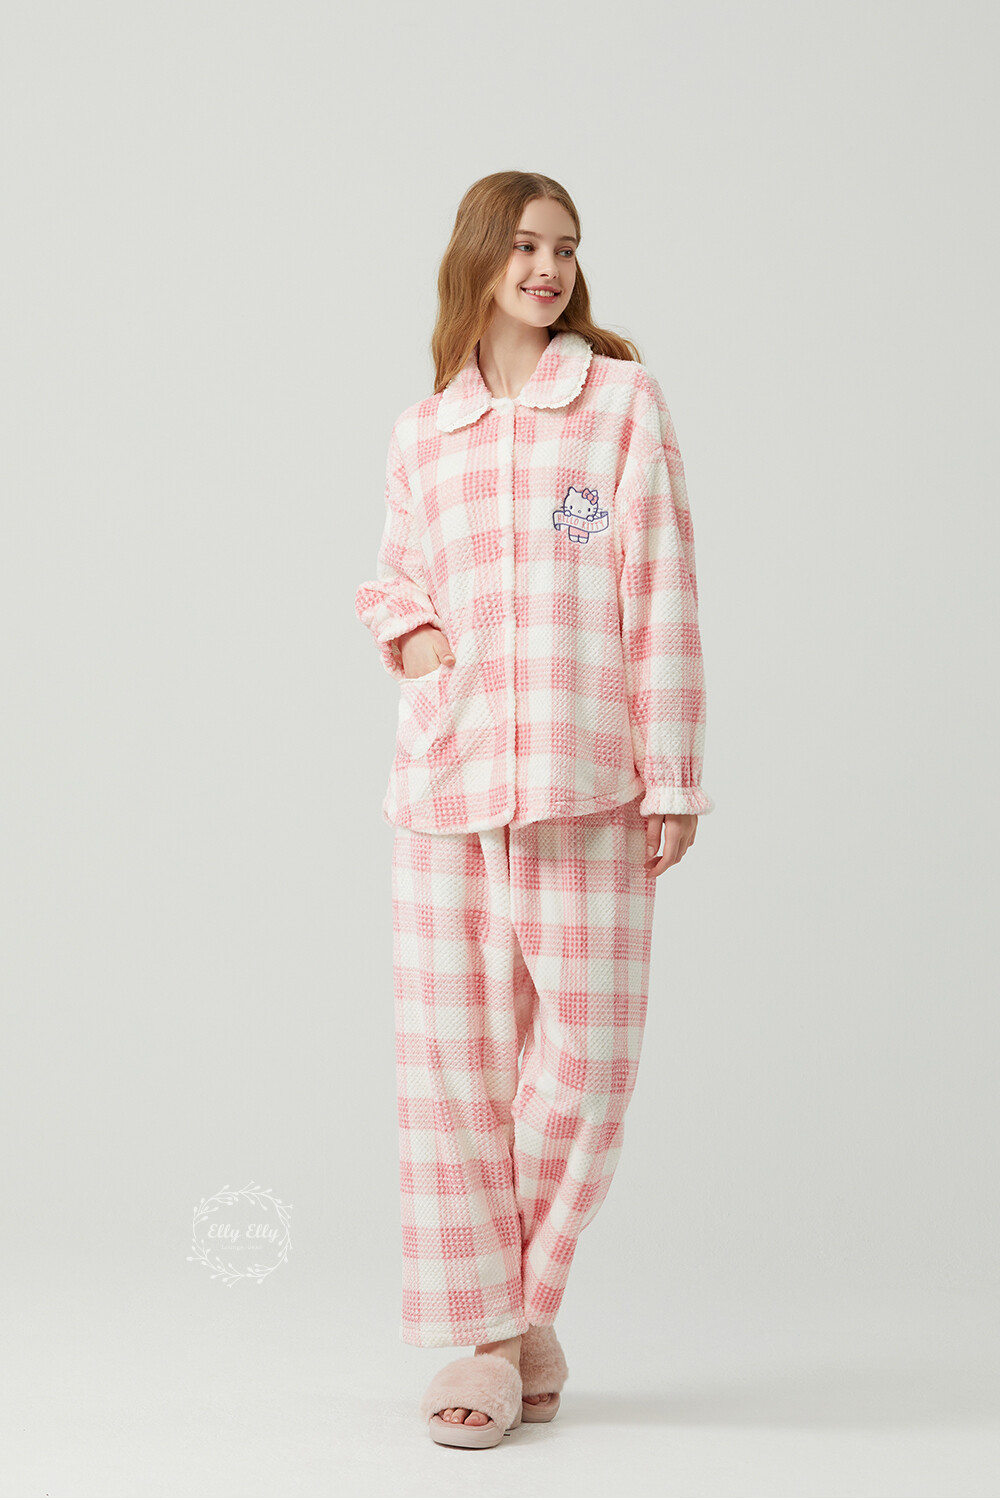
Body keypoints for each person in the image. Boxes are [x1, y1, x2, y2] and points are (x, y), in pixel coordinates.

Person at [354, 170, 715, 1449]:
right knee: (453, 1072)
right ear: (479, 257)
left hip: (586, 776)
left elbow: (660, 587)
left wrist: (672, 772)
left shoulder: (619, 402)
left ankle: (519, 1304)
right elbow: (391, 579)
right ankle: (495, 1342)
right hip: (447, 787)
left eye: (564, 246)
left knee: (587, 1065)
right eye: (522, 245)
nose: (547, 268)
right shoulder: (424, 432)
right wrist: (419, 647)